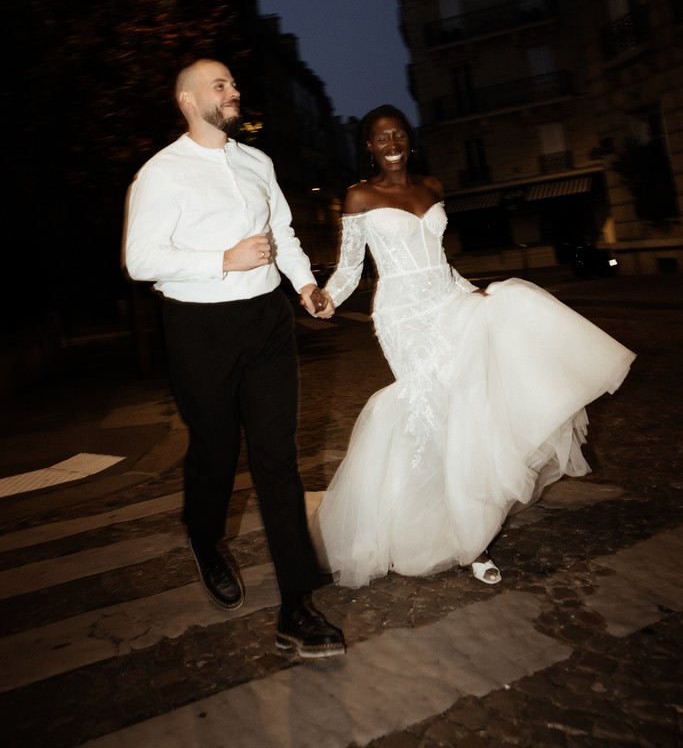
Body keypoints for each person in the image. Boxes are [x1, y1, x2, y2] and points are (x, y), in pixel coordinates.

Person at [311, 105, 636, 590]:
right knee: (432, 414)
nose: (392, 143)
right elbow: (350, 268)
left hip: (449, 300)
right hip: (403, 316)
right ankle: (465, 540)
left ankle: (471, 532)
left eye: (398, 134)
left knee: (473, 399)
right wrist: (327, 298)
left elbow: (439, 260)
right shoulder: (360, 195)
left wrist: (471, 290)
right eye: (381, 138)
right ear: (370, 147)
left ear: (408, 139)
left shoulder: (433, 186)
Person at [124, 58, 345, 659]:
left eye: (233, 83)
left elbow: (282, 234)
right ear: (187, 100)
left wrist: (305, 285)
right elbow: (141, 259)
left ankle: (297, 607)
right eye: (219, 85)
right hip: (199, 329)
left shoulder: (257, 163)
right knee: (216, 453)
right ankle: (203, 537)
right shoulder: (161, 173)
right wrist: (222, 260)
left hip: (267, 322)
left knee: (277, 460)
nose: (234, 90)